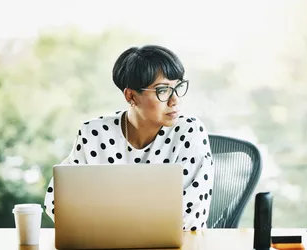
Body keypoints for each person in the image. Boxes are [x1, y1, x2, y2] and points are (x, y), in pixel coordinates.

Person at [44, 45, 214, 231]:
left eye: (178, 87)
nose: (175, 100)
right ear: (131, 96)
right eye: (163, 90)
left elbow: (190, 220)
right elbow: (57, 203)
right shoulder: (93, 134)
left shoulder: (189, 131)